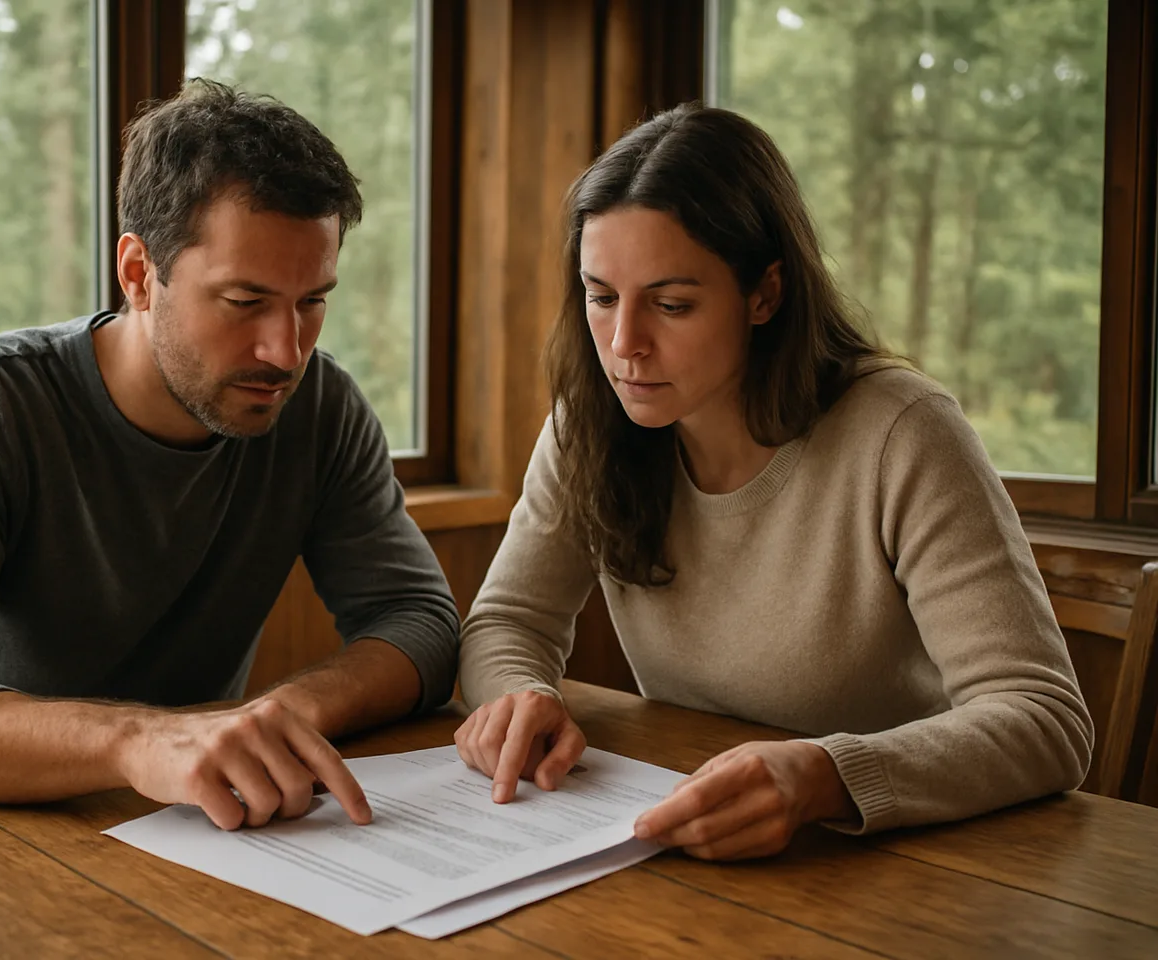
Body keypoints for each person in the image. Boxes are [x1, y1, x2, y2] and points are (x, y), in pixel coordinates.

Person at [454, 103, 1093, 861]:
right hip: (682, 843)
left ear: (765, 294)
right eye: (601, 297)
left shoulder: (903, 431)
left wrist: (828, 775)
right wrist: (520, 698)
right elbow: (505, 623)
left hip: (900, 861)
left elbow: (1044, 718)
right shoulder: (589, 423)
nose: (625, 345)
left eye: (672, 303)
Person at [0, 80, 461, 832]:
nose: (285, 352)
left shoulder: (318, 407)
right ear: (137, 274)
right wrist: (141, 742)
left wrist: (278, 715)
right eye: (245, 301)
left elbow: (421, 621)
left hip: (214, 832)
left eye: (312, 301)